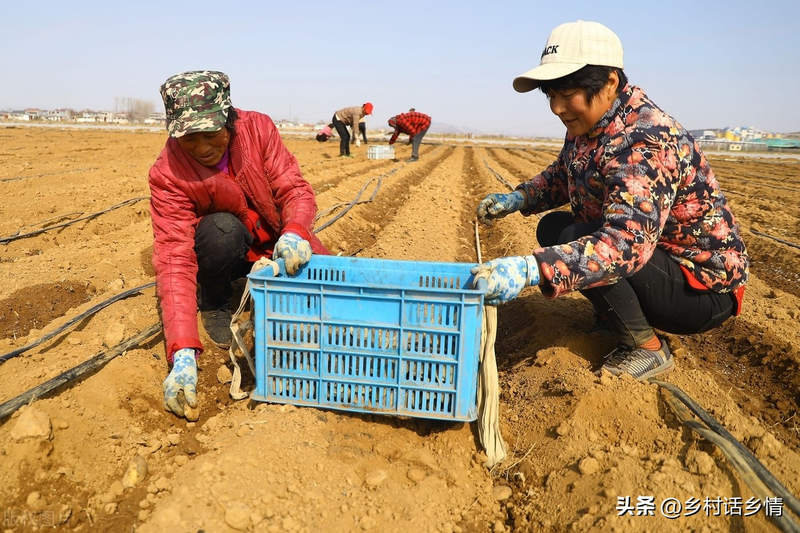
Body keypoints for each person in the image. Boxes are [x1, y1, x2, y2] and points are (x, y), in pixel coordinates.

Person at [473, 21, 748, 381]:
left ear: (610, 83)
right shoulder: (591, 126)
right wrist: (520, 196)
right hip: (658, 263)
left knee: (578, 235)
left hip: (701, 286)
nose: (556, 107)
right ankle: (612, 316)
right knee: (554, 227)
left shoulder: (643, 141)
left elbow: (624, 244)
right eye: (550, 95)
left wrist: (531, 269)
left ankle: (645, 348)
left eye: (566, 93)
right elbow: (562, 173)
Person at [148, 70, 330, 418]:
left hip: (273, 241)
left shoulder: (258, 129)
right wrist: (182, 350)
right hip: (225, 247)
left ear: (227, 117)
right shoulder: (168, 172)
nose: (202, 148)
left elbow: (293, 189)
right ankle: (217, 300)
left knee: (321, 300)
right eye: (188, 138)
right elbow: (174, 258)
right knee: (221, 230)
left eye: (210, 133)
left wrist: (294, 232)